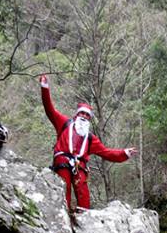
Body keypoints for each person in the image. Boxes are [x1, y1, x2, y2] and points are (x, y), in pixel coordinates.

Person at [39, 74, 138, 211]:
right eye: (82, 114)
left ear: (90, 119)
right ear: (77, 115)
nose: (84, 117)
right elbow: (49, 109)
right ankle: (65, 215)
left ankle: (84, 217)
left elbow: (106, 152)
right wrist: (45, 88)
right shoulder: (65, 123)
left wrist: (124, 153)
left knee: (83, 193)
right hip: (62, 161)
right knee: (64, 188)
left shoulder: (90, 138)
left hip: (80, 166)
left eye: (87, 115)